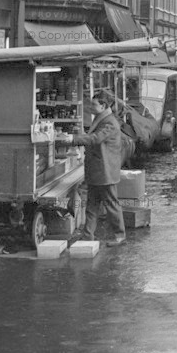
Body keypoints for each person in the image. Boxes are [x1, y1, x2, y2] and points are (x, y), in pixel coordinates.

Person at [56, 92, 126, 247]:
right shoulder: (104, 119)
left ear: (104, 106)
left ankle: (120, 236)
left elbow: (96, 138)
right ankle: (88, 236)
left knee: (111, 204)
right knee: (92, 205)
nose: (90, 107)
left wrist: (73, 139)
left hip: (105, 172)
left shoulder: (109, 123)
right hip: (98, 171)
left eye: (94, 105)